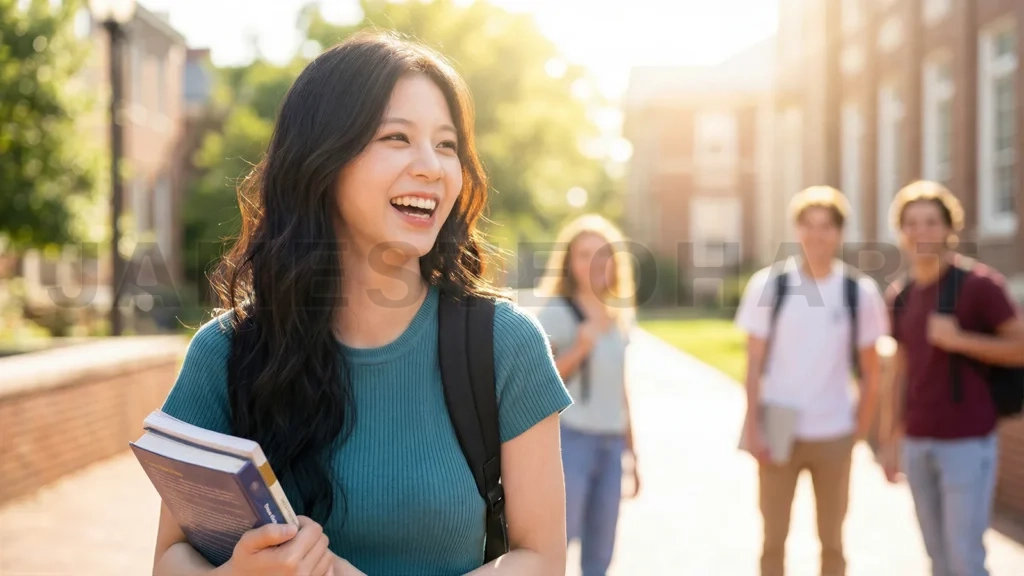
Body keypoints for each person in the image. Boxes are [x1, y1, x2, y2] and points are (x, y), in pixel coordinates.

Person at [152, 31, 573, 576]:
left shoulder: (505, 346)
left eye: (447, 145)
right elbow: (169, 556)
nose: (432, 166)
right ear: (323, 162)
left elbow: (541, 558)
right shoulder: (225, 354)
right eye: (397, 137)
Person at [734, 186, 888, 576]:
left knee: (833, 542)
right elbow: (752, 366)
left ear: (838, 233)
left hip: (834, 429)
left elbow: (872, 371)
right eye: (808, 226)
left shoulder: (859, 292)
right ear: (797, 230)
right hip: (779, 427)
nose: (817, 235)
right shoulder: (770, 286)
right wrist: (753, 428)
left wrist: (859, 432)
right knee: (773, 540)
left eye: (826, 227)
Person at [879, 180, 1024, 576]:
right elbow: (900, 370)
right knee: (938, 558)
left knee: (964, 556)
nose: (920, 231)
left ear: (949, 228)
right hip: (918, 442)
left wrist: (959, 340)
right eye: (911, 223)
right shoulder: (901, 294)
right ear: (902, 232)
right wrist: (890, 440)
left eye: (930, 222)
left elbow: (1020, 346)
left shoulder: (979, 286)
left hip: (967, 442)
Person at [532, 213, 639, 576]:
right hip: (570, 441)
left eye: (602, 253)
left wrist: (632, 451)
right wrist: (580, 347)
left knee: (601, 551)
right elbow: (538, 384)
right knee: (558, 544)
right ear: (568, 262)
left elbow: (620, 385)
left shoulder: (618, 314)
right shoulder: (556, 312)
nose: (593, 263)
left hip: (611, 445)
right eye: (583, 254)